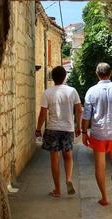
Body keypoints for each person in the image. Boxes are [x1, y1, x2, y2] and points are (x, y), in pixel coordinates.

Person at [82, 62, 112, 206]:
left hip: (98, 133)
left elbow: (86, 115)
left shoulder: (91, 91)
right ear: (110, 73)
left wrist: (84, 132)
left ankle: (104, 197)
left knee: (100, 166)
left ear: (97, 74)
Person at [35, 66, 82, 197]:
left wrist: (38, 129)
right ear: (65, 77)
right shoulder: (72, 91)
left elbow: (43, 113)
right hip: (68, 128)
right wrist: (79, 126)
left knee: (54, 159)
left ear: (53, 78)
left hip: (52, 129)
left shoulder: (47, 92)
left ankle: (57, 190)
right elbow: (79, 110)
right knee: (68, 156)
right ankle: (68, 179)